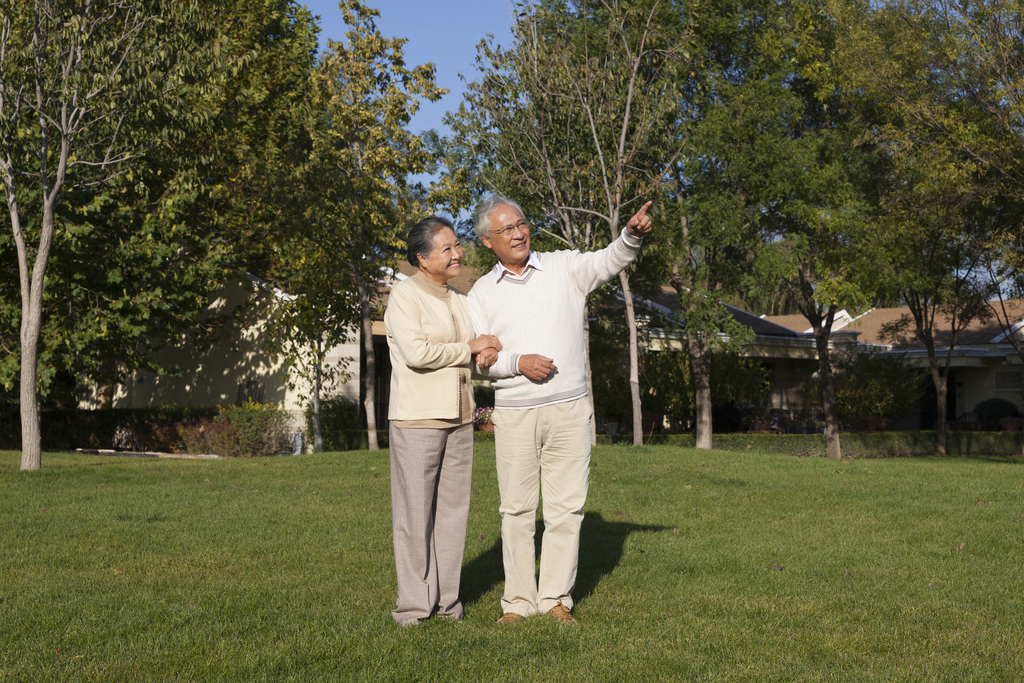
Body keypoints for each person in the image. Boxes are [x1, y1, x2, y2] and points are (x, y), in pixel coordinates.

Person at [467, 195, 653, 625]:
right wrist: (520, 362)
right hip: (514, 413)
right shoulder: (479, 294)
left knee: (565, 509)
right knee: (515, 510)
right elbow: (481, 361)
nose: (518, 233)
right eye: (506, 229)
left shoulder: (563, 267)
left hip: (569, 411)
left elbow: (607, 261)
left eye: (521, 224)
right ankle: (516, 603)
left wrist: (629, 237)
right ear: (487, 241)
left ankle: (555, 600)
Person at [384, 216, 502, 626]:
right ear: (421, 258)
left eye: (457, 245)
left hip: (460, 417)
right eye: (447, 248)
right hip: (417, 419)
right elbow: (418, 353)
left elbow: (477, 346)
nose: (458, 254)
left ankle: (447, 603)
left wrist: (485, 351)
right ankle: (414, 607)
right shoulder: (404, 295)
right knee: (415, 516)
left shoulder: (458, 298)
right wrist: (469, 347)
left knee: (453, 514)